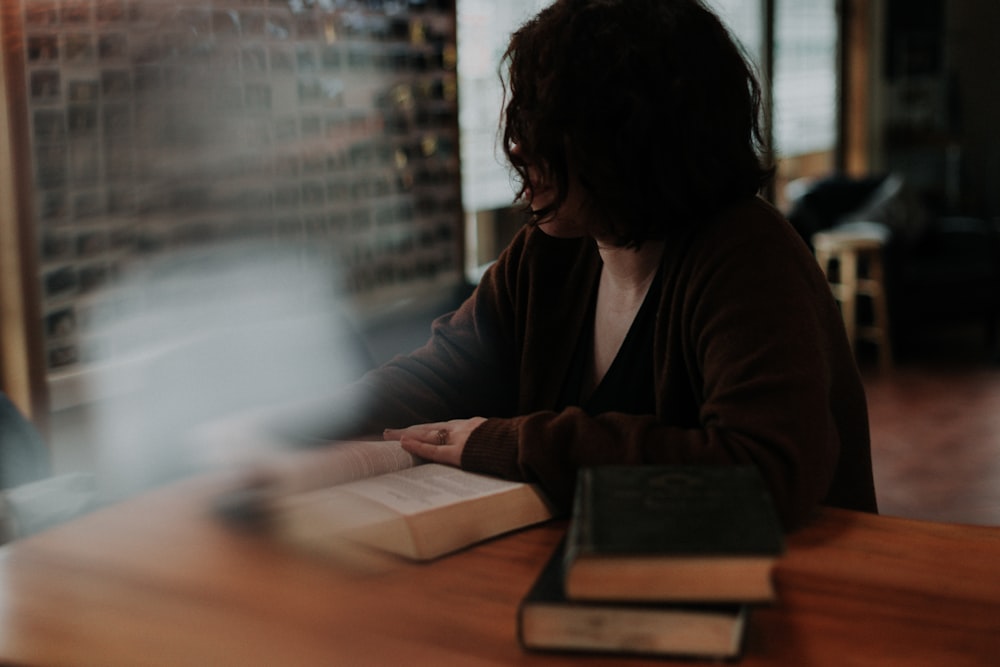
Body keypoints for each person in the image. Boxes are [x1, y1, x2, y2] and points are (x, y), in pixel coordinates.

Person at [304, 0, 877, 529]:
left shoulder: (748, 255)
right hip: (612, 562)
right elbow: (445, 370)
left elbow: (764, 472)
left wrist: (512, 442)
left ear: (629, 140)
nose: (516, 149)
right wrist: (300, 424)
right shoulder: (550, 248)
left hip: (781, 591)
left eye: (543, 126)